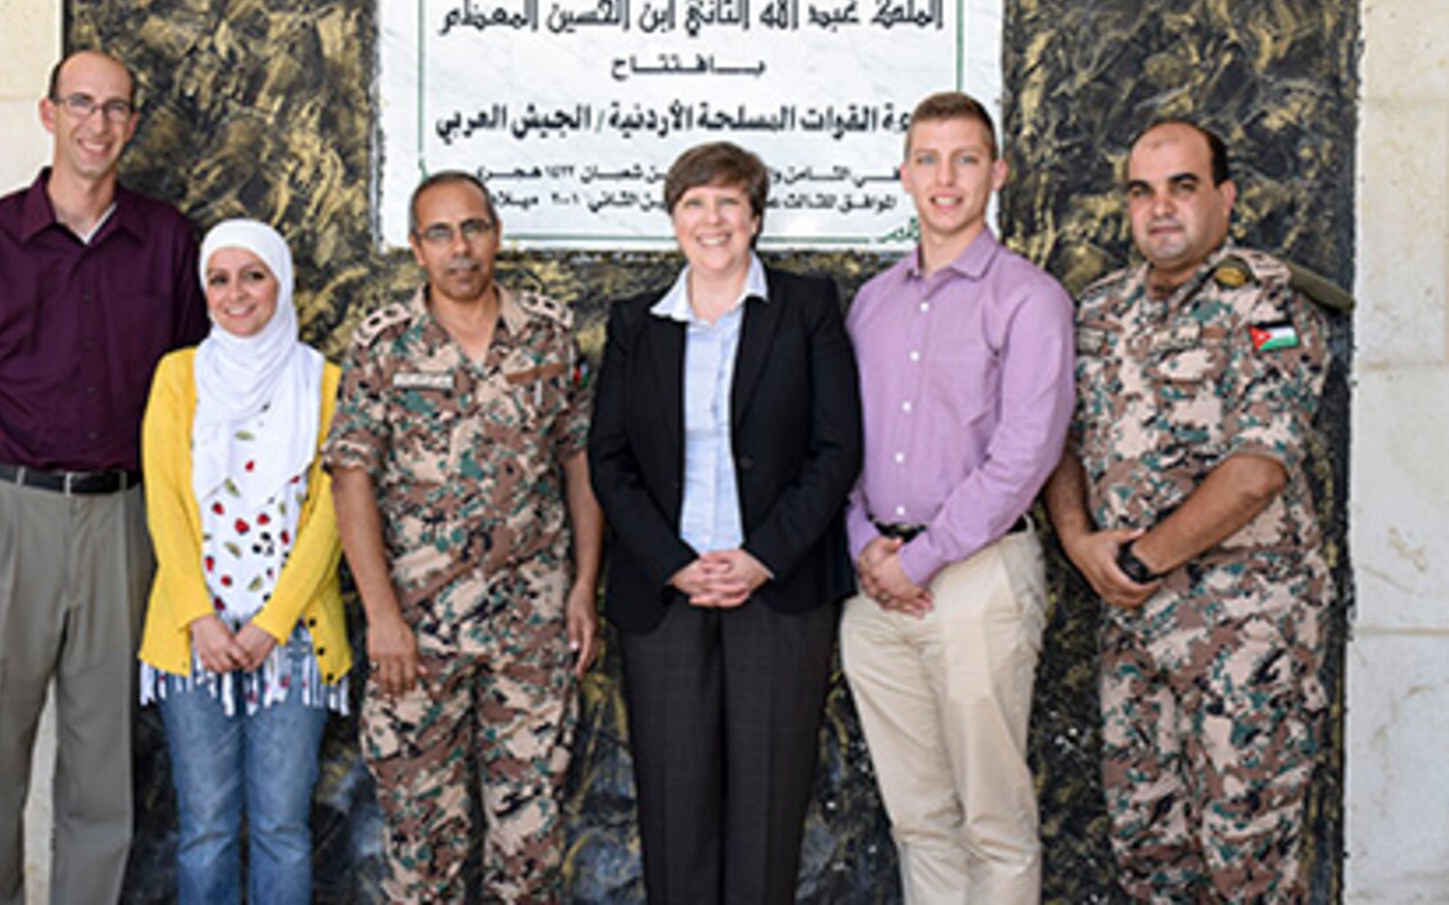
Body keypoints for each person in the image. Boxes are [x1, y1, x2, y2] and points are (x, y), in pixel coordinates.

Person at [0, 50, 206, 904]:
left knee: (102, 766)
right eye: (81, 104)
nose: (98, 124)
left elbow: (188, 386)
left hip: (122, 520)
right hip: (7, 510)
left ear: (134, 124)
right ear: (49, 114)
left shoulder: (167, 241)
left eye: (116, 108)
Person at [1043, 119, 1335, 901]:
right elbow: (1058, 440)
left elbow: (1257, 472)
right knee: (1150, 857)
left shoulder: (1269, 304)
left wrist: (1138, 559)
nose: (1160, 208)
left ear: (1225, 197)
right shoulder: (1100, 312)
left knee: (1249, 863)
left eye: (1183, 186)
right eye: (1142, 191)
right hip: (1135, 633)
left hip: (1247, 639)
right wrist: (1077, 540)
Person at [589, 141, 862, 904]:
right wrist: (672, 559)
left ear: (755, 217)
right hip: (666, 595)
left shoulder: (807, 309)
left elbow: (836, 448)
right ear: (674, 219)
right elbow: (608, 460)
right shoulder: (636, 324)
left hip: (776, 591)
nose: (712, 221)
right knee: (675, 812)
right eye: (694, 204)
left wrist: (762, 556)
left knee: (768, 812)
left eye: (728, 203)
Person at [323, 171, 601, 903]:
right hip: (415, 637)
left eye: (473, 228)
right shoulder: (383, 343)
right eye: (440, 233)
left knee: (531, 853)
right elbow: (351, 479)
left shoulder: (548, 331)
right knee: (423, 856)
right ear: (417, 248)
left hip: (533, 628)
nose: (460, 248)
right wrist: (381, 615)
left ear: (497, 235)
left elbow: (581, 460)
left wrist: (582, 587)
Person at [839, 92, 1075, 903]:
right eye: (929, 159)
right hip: (877, 587)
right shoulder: (872, 302)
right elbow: (841, 444)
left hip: (976, 579)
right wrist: (864, 546)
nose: (946, 178)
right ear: (904, 174)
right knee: (918, 819)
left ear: (997, 173)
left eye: (966, 159)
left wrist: (924, 558)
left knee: (993, 822)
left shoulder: (1030, 298)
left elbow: (1025, 455)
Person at [137, 219, 352, 904]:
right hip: (194, 635)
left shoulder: (324, 381)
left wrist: (272, 622)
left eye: (253, 275)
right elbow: (165, 504)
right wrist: (200, 619)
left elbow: (331, 515)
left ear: (281, 282)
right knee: (204, 827)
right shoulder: (178, 377)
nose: (237, 294)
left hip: (289, 640)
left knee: (282, 827)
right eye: (220, 279)